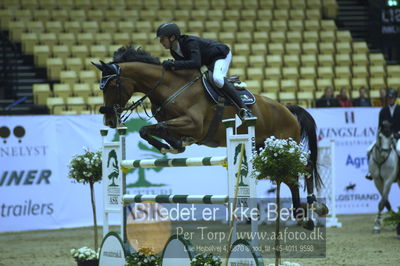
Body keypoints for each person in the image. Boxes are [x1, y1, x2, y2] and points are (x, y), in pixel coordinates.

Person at [155, 22, 252, 118]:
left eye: (162, 39)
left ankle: (244, 108)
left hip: (220, 55)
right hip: (207, 61)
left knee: (217, 79)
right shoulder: (174, 50)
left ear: (172, 37)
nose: (161, 42)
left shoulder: (189, 42)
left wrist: (173, 64)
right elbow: (189, 68)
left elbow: (195, 63)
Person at [366, 88, 400, 180]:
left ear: (395, 98)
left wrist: (398, 134)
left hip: (398, 136)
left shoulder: (399, 109)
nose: (390, 100)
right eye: (388, 98)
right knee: (369, 150)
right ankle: (370, 172)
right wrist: (380, 135)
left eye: (391, 98)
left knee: (399, 149)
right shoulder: (383, 111)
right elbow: (379, 126)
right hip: (385, 137)